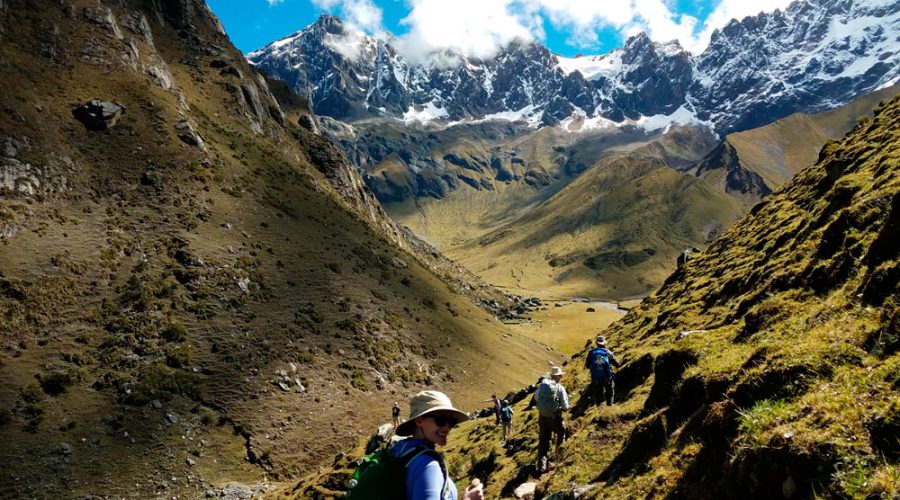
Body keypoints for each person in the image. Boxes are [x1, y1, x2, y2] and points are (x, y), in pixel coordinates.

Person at [392, 390, 484, 500]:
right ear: (420, 421)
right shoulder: (428, 465)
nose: (447, 427)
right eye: (441, 420)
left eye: (451, 422)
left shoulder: (401, 450)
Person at [533, 366, 569, 473]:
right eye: (560, 375)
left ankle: (541, 466)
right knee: (561, 432)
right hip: (554, 417)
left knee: (543, 441)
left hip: (542, 417)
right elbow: (565, 406)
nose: (561, 376)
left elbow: (536, 398)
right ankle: (559, 459)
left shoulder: (542, 386)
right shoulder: (560, 388)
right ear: (557, 376)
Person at [585, 335, 620, 406]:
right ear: (604, 343)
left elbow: (587, 365)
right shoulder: (608, 353)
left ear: (596, 343)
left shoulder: (591, 353)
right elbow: (617, 365)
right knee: (610, 392)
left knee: (598, 394)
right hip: (607, 377)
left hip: (596, 378)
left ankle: (598, 408)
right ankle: (609, 405)